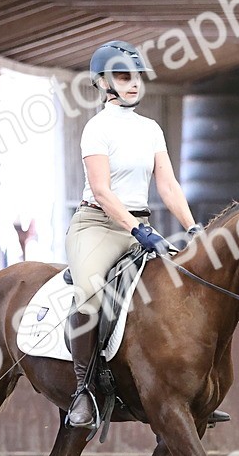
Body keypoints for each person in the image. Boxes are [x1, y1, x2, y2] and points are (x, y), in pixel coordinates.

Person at [64, 40, 203, 428]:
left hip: (141, 226)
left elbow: (168, 185)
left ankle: (186, 387)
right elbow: (103, 192)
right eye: (124, 77)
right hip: (98, 225)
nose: (134, 84)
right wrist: (139, 230)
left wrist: (192, 227)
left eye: (137, 77)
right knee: (90, 295)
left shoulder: (150, 129)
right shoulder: (96, 129)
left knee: (179, 287)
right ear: (103, 82)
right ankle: (83, 391)